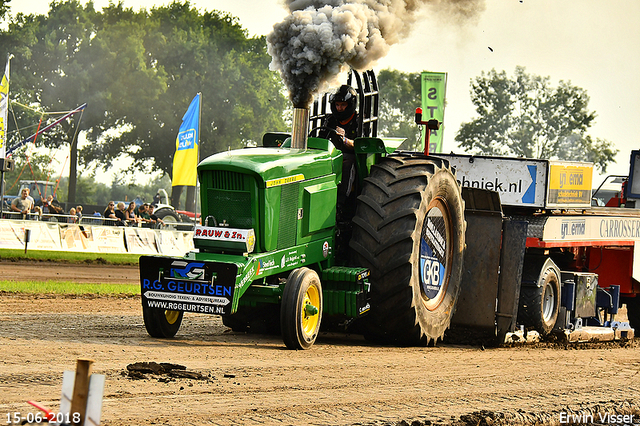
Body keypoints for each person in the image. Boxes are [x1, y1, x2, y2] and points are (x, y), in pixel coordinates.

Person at [320, 85, 362, 263]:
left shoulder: (359, 120)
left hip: (351, 158)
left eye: (343, 105)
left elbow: (361, 144)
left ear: (350, 105)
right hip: (330, 156)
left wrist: (345, 140)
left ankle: (340, 203)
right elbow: (321, 138)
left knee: (348, 163)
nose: (339, 108)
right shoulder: (330, 120)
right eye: (337, 105)